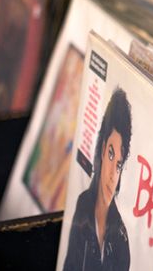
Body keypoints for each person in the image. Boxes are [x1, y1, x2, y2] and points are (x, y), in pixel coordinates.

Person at [62, 88, 132, 271]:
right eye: (110, 154)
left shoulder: (121, 239)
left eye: (118, 164)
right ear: (102, 150)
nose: (112, 175)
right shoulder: (83, 204)